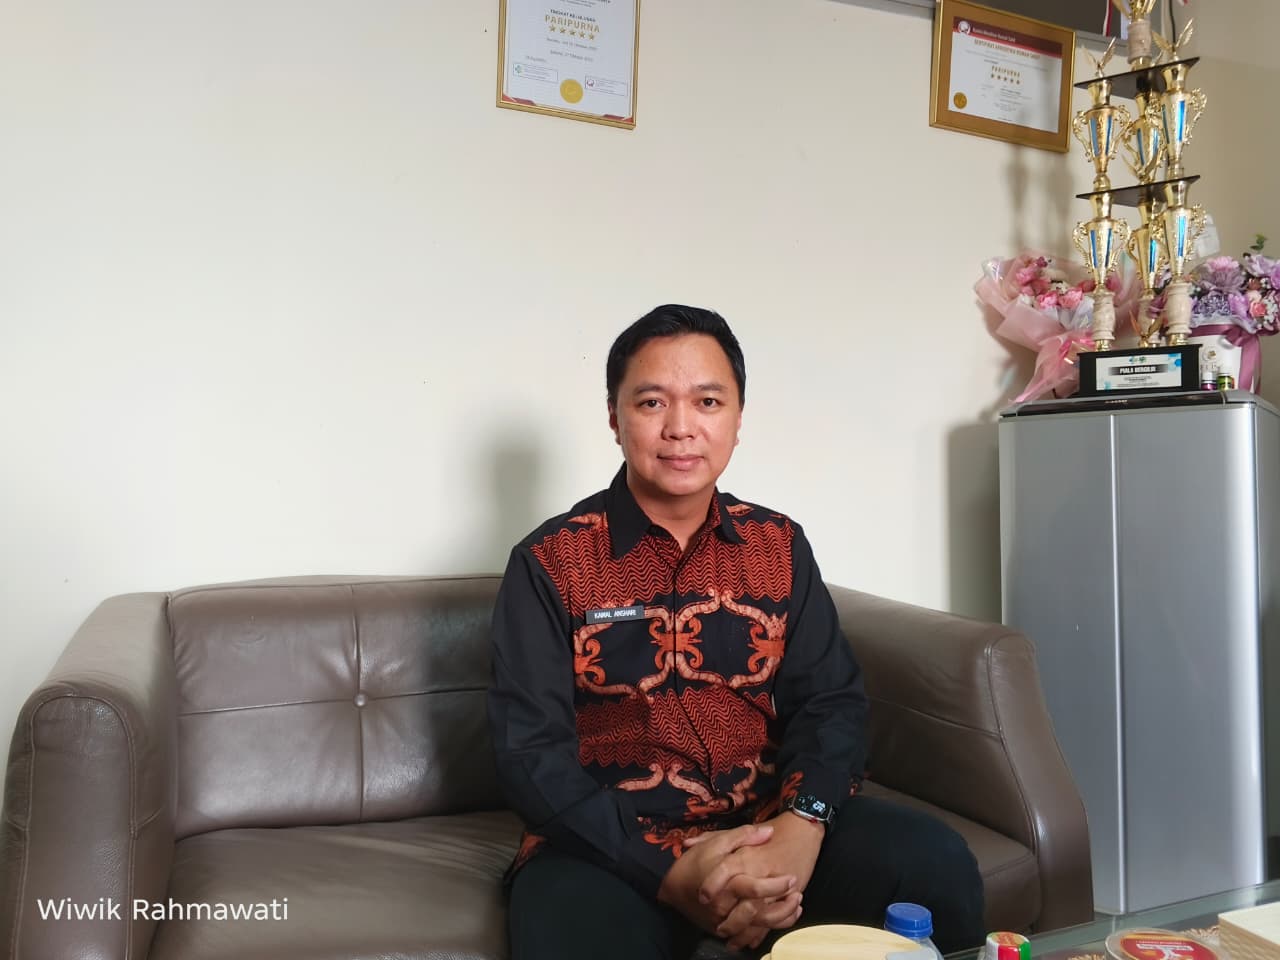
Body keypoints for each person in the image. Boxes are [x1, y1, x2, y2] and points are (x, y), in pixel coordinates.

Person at [487, 305, 985, 960]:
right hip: (605, 848)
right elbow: (530, 754)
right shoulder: (549, 561)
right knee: (574, 933)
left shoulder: (779, 546)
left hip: (763, 824)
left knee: (931, 861)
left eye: (708, 401)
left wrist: (802, 828)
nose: (680, 428)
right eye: (651, 402)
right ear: (614, 417)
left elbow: (831, 703)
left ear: (738, 418)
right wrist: (669, 874)